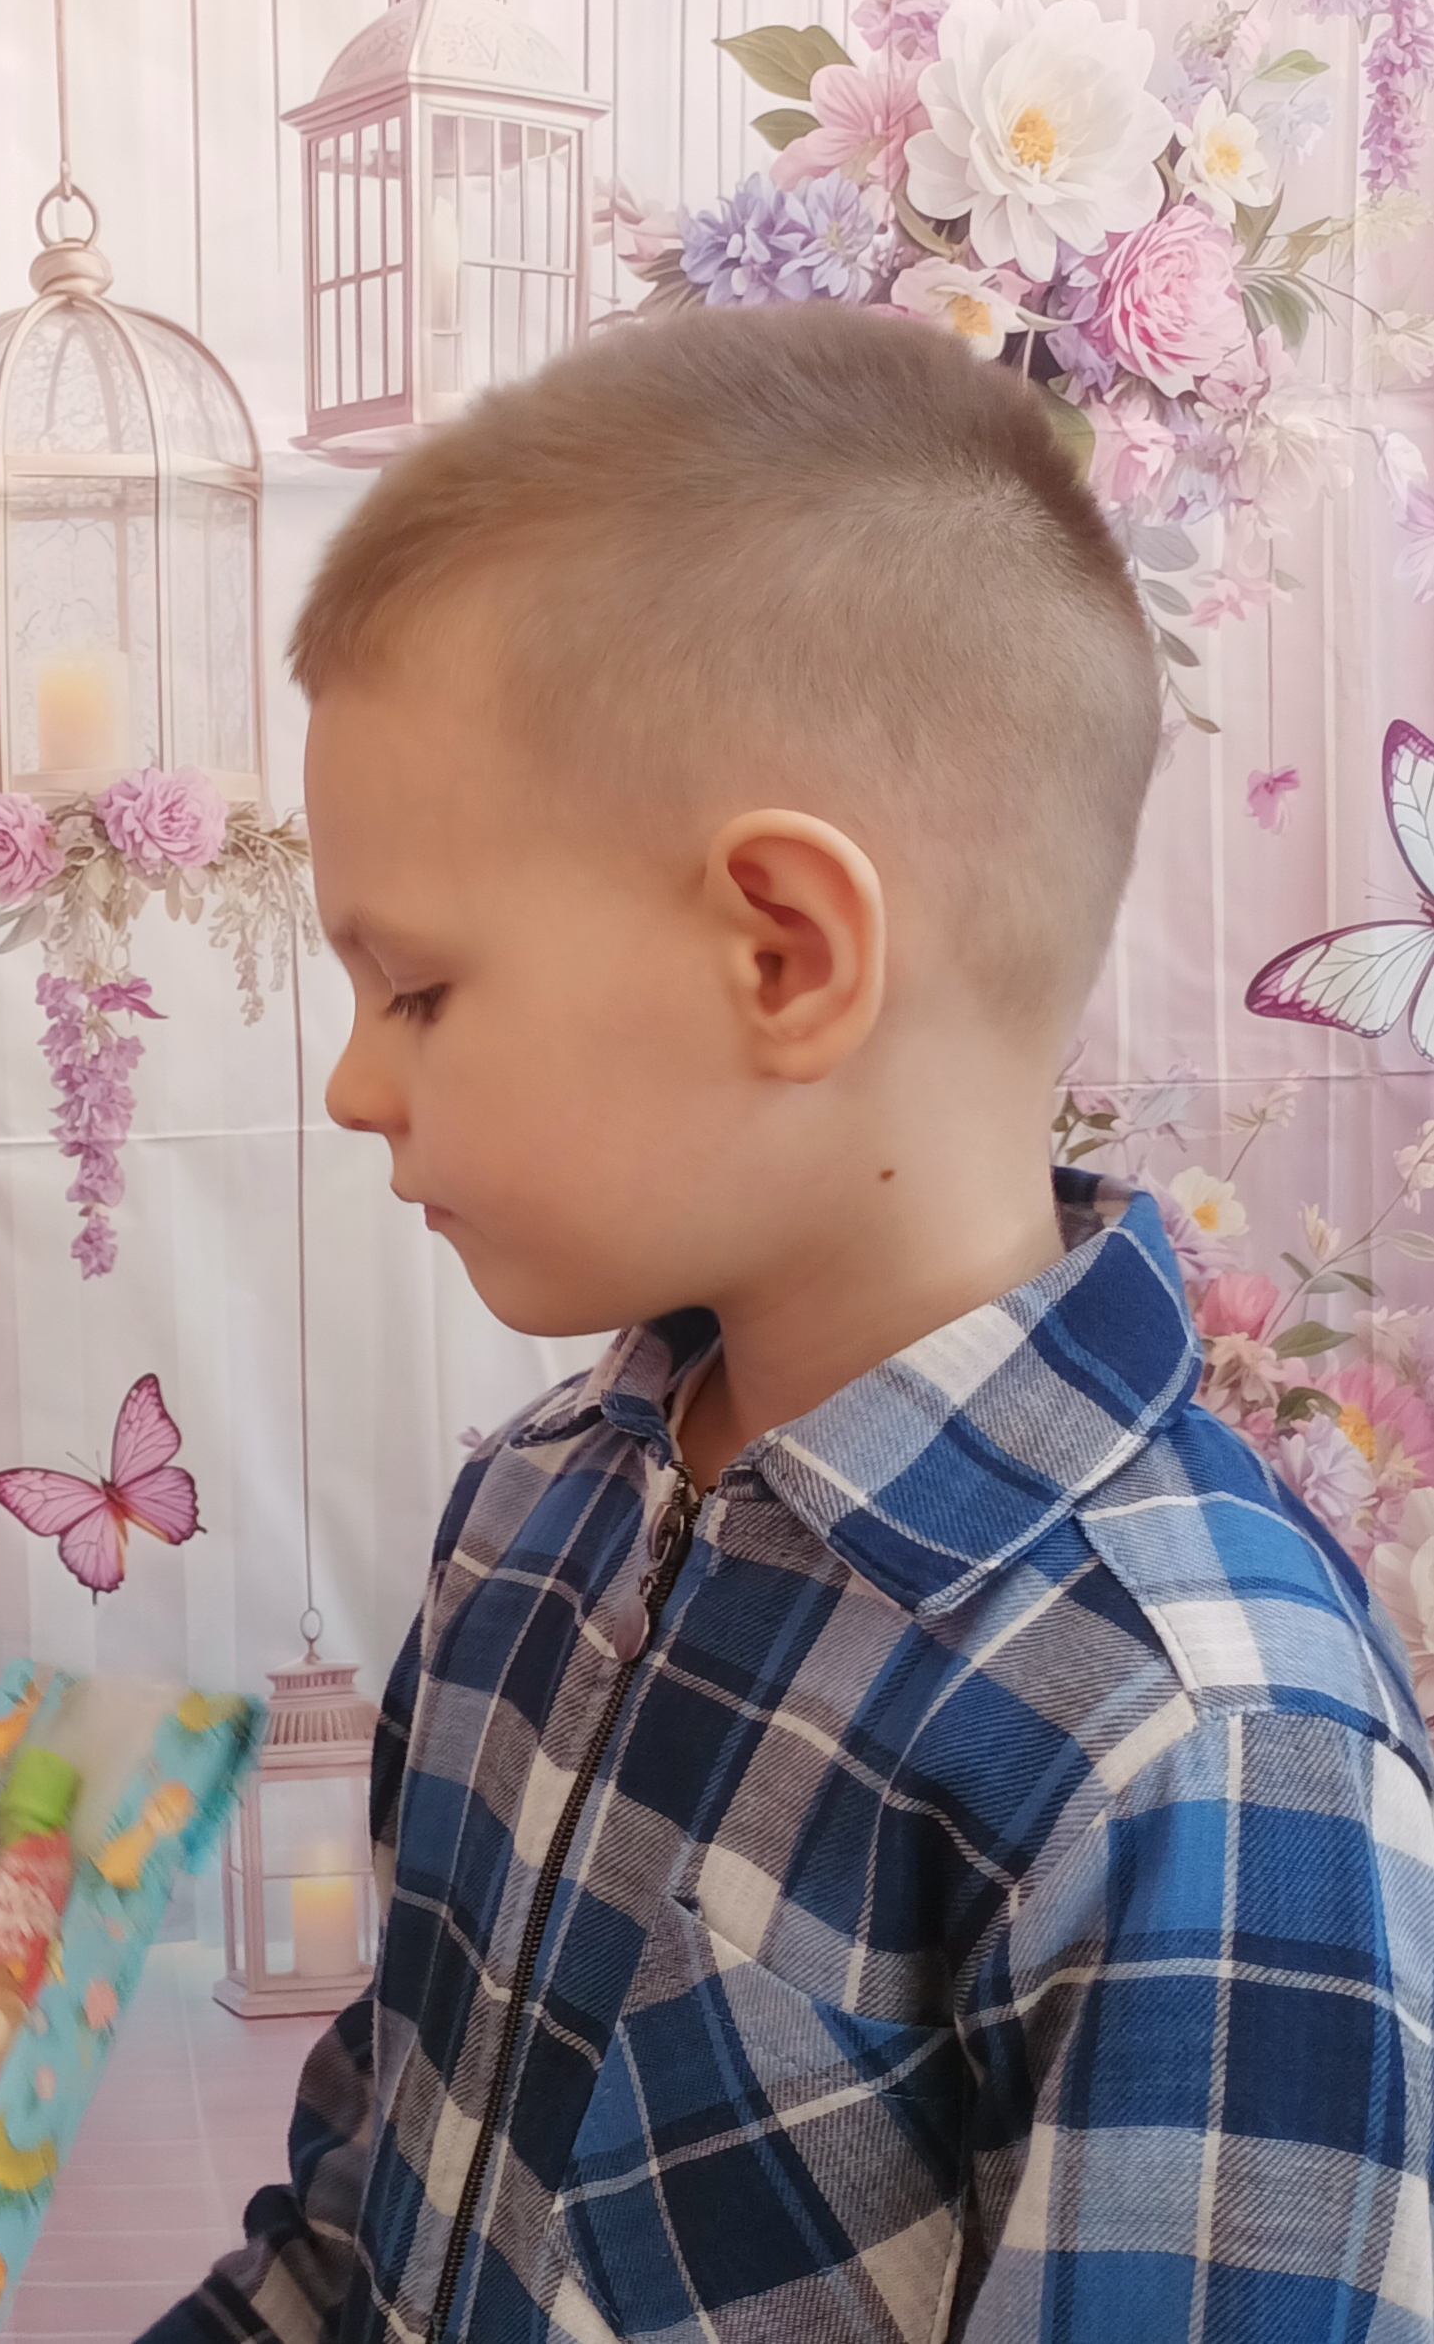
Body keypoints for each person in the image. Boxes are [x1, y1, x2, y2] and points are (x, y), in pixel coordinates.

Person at [144, 306, 1434, 2343]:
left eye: (418, 992)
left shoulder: (1198, 1748)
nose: (354, 1084)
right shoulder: (528, 1526)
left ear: (783, 955)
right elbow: (350, 2240)